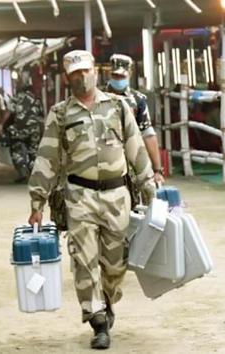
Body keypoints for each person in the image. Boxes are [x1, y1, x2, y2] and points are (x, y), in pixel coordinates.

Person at [27, 50, 156, 349]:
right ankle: (96, 319)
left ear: (95, 73)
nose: (81, 77)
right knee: (84, 261)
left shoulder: (119, 106)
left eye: (85, 71)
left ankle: (107, 301)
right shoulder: (60, 114)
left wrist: (149, 184)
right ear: (67, 77)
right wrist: (37, 202)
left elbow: (136, 147)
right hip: (79, 196)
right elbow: (46, 159)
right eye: (74, 73)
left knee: (116, 263)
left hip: (117, 195)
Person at [106, 53, 165, 184]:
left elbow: (148, 134)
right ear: (110, 74)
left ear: (130, 73)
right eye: (115, 75)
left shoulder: (138, 100)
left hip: (131, 159)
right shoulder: (97, 97)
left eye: (122, 76)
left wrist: (157, 170)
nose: (118, 79)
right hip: (104, 160)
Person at [1, 81, 44, 183]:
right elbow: (41, 115)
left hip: (18, 129)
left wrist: (2, 125)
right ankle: (34, 173)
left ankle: (22, 171)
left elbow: (8, 113)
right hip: (34, 129)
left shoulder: (15, 98)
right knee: (34, 151)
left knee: (16, 149)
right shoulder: (37, 100)